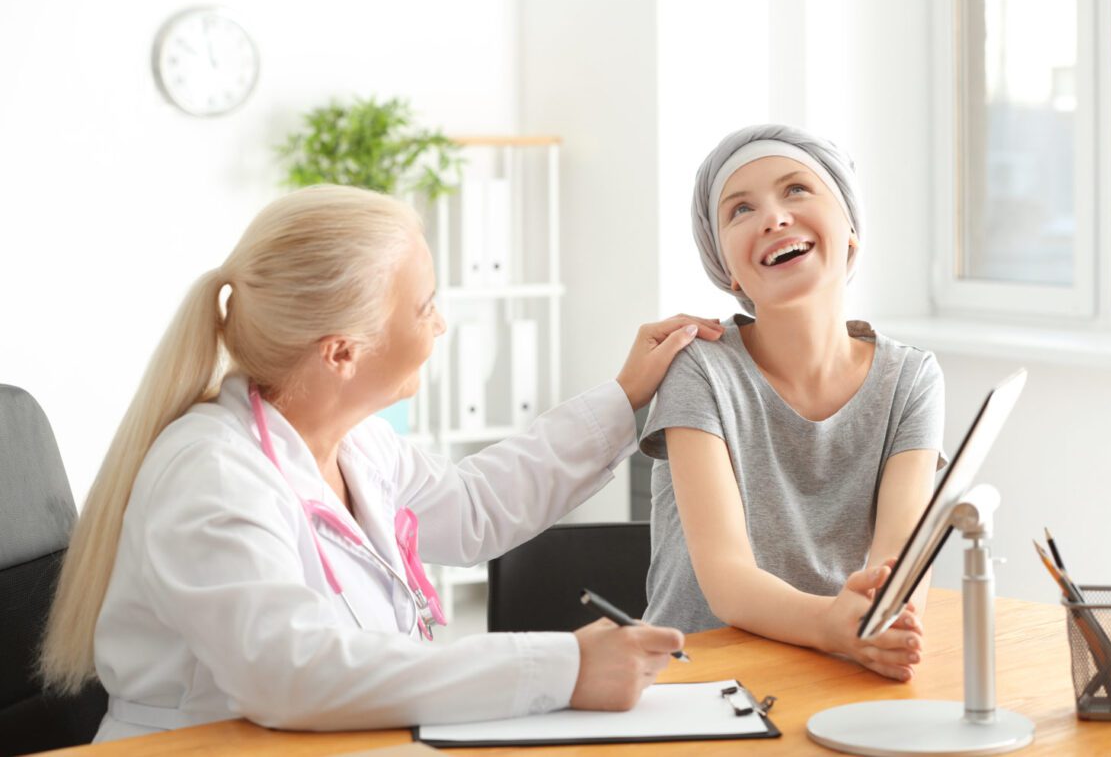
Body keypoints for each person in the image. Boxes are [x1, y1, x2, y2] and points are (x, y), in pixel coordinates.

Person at [38, 184, 725, 741]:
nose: (441, 326)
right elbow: (292, 672)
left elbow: (472, 509)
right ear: (342, 353)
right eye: (424, 307)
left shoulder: (354, 442)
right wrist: (560, 666)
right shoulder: (212, 476)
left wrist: (622, 397)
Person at [639, 124, 946, 683]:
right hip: (701, 683)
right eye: (739, 210)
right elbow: (728, 581)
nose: (774, 218)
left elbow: (900, 568)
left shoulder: (911, 378)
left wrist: (879, 624)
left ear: (851, 229)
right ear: (726, 268)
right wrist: (837, 625)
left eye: (797, 190)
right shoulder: (699, 368)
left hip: (838, 667)